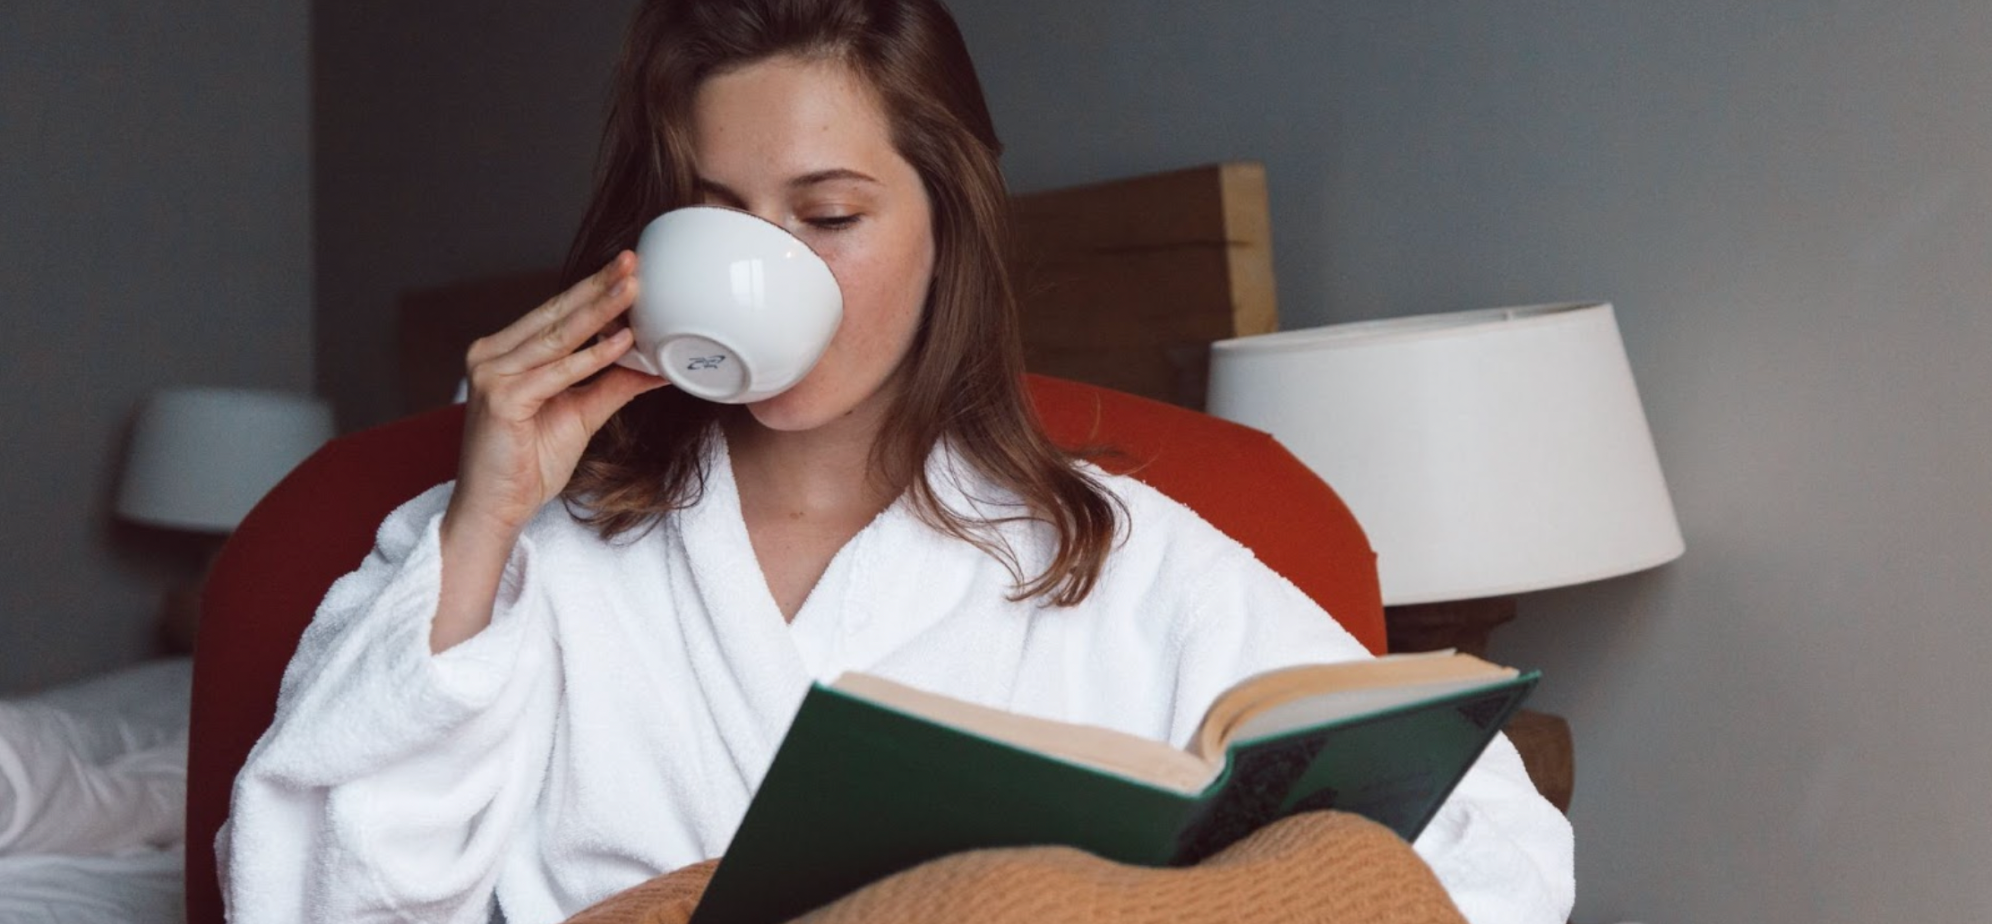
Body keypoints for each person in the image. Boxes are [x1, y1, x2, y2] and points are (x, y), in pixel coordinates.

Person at [220, 1, 1573, 922]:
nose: (769, 270)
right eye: (713, 215)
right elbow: (307, 893)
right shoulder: (522, 553)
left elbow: (1495, 859)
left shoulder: (1122, 556)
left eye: (829, 214)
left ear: (946, 227)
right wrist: (485, 521)